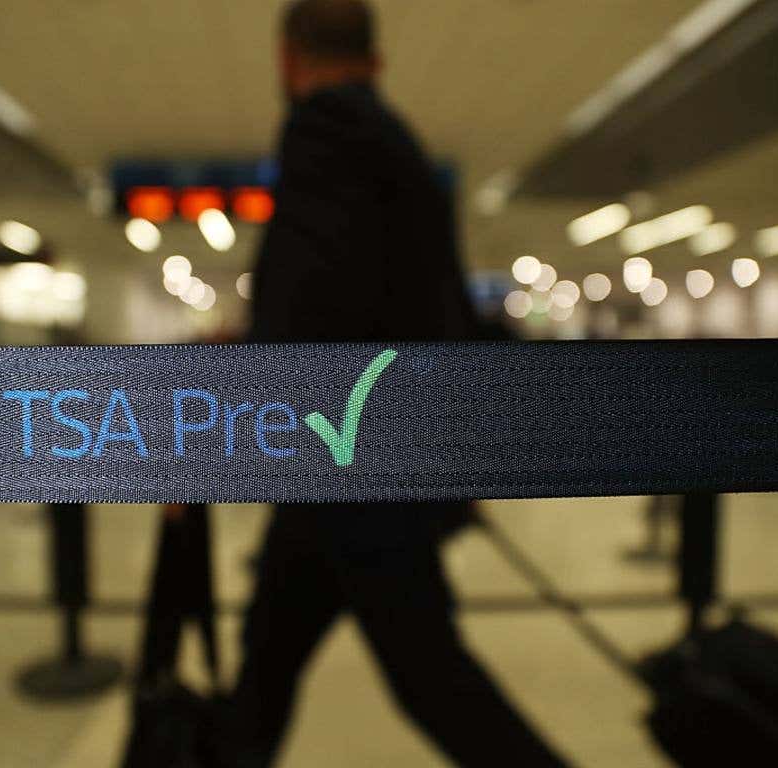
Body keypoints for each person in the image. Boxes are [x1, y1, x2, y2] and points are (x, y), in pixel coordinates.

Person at [230, 1, 567, 765]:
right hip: (359, 473)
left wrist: (217, 431)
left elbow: (304, 305)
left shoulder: (326, 130)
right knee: (266, 670)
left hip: (356, 470)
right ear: (377, 59)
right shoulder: (399, 146)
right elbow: (419, 305)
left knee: (431, 680)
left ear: (288, 59)